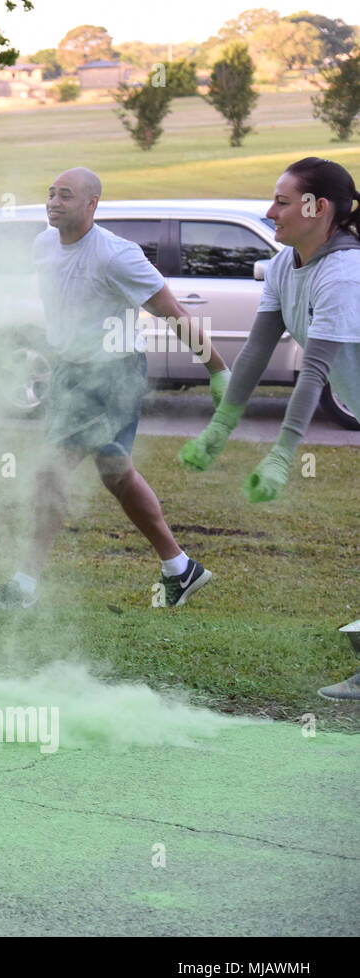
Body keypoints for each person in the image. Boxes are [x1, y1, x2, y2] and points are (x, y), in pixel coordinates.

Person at [0, 166, 228, 610]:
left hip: (113, 374)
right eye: (50, 193)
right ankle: (180, 567)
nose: (54, 202)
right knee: (117, 476)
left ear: (91, 204)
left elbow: (172, 310)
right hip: (70, 373)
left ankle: (24, 585)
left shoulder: (117, 255)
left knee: (50, 471)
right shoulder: (43, 245)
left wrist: (217, 370)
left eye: (66, 195)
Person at [179, 157, 360, 701]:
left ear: (317, 208)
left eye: (282, 201)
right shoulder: (286, 265)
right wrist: (220, 427)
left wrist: (283, 453)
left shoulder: (345, 272)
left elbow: (315, 370)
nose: (269, 211)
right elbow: (258, 351)